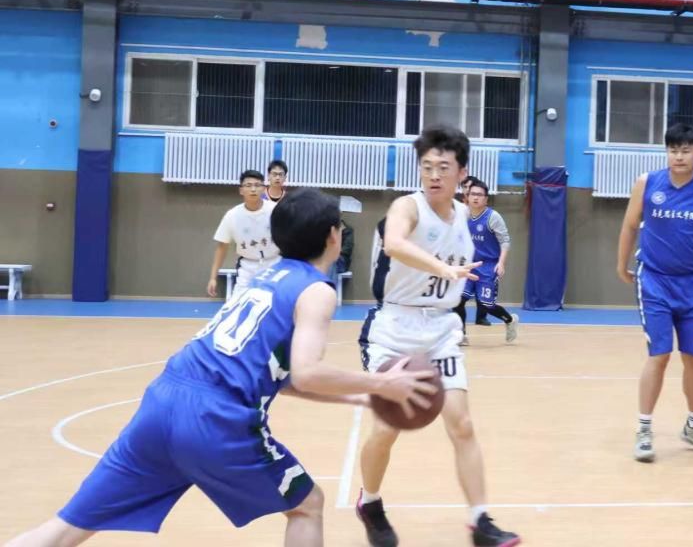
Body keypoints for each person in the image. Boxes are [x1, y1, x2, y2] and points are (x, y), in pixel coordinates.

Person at [4, 188, 438, 545]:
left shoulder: (263, 278)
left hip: (162, 401)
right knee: (307, 505)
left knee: (67, 528)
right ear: (333, 237)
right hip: (215, 418)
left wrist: (359, 397)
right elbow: (307, 372)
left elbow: (281, 377)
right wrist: (383, 384)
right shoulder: (317, 290)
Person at [356, 124, 520, 547]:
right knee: (387, 429)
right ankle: (370, 502)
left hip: (440, 329)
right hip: (394, 328)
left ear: (461, 173)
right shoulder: (407, 207)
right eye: (426, 166)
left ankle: (480, 521)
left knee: (461, 423)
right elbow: (393, 243)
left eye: (443, 167)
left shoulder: (464, 216)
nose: (433, 175)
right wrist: (443, 268)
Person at [617, 122, 693, 462]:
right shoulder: (647, 182)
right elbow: (629, 225)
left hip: (692, 284)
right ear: (666, 152)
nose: (679, 156)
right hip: (654, 281)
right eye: (673, 150)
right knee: (659, 355)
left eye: (685, 150)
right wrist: (620, 265)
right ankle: (644, 429)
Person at [453, 178, 519, 345]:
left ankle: (510, 320)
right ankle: (461, 335)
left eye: (480, 195)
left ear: (486, 199)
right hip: (468, 265)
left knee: (486, 304)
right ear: (467, 197)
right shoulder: (462, 215)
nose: (475, 197)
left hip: (488, 266)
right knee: (458, 299)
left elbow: (505, 241)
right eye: (472, 194)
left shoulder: (492, 217)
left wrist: (501, 263)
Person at [206, 169, 279, 299]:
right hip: (247, 266)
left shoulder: (276, 210)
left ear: (263, 189)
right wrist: (213, 277)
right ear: (241, 190)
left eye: (257, 185)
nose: (253, 189)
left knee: (276, 302)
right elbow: (222, 247)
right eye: (248, 185)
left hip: (274, 263)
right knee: (237, 303)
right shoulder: (232, 215)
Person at [327, 219, 354, 285]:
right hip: (327, 258)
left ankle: (329, 287)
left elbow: (347, 248)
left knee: (332, 260)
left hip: (341, 260)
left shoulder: (348, 230)